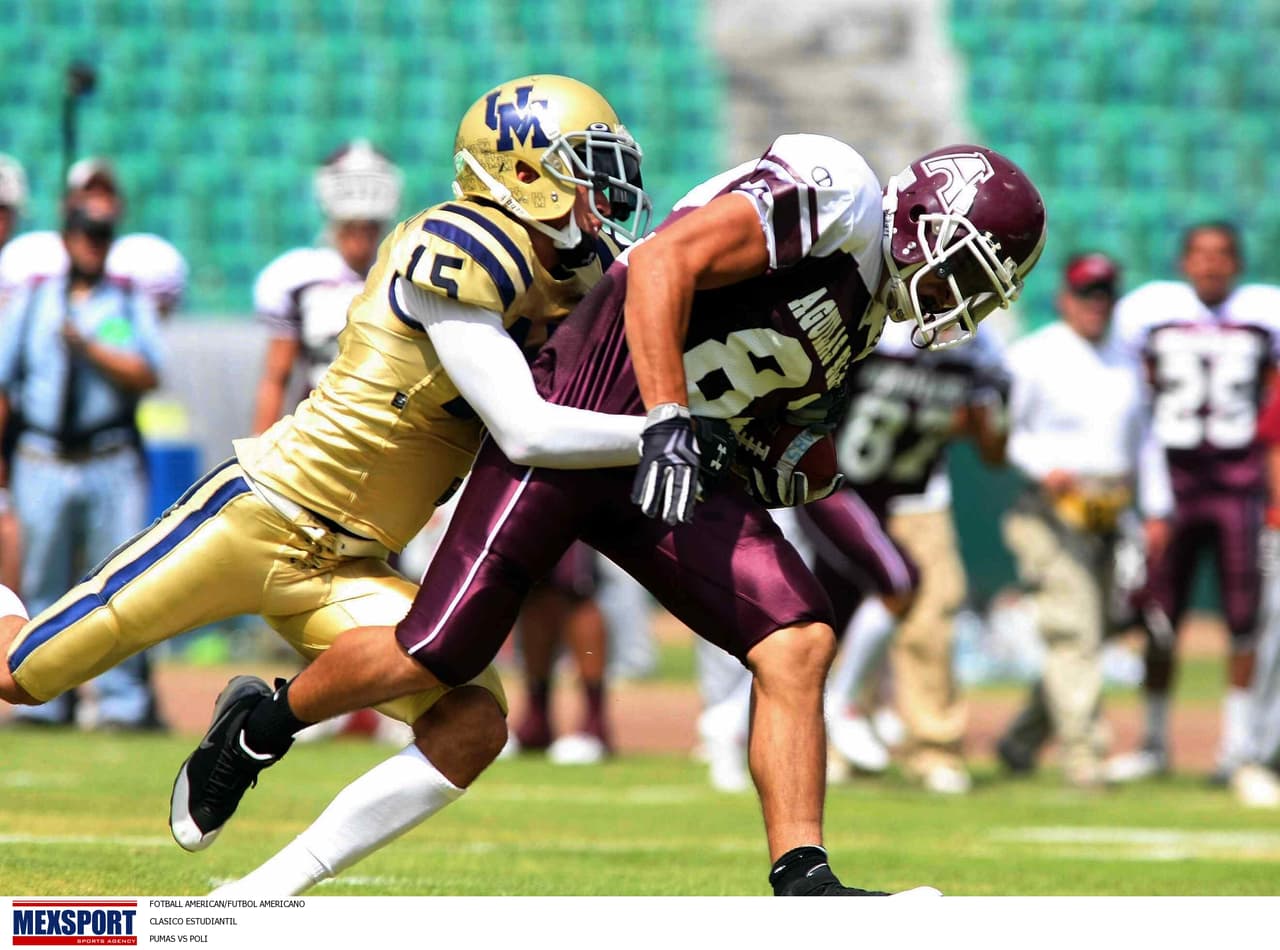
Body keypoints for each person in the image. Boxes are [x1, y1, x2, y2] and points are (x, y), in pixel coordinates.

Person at [178, 140, 1046, 897]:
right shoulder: (840, 195)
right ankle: (263, 722)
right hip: (579, 414)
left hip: (660, 456)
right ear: (929, 220)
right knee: (438, 651)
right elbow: (664, 263)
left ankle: (803, 878)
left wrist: (792, 468)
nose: (964, 298)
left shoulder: (862, 318)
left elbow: (777, 430)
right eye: (967, 268)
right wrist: (667, 417)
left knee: (798, 635)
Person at [0, 70, 652, 822]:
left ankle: (261, 815)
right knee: (23, 674)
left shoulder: (579, 280)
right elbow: (525, 427)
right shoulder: (462, 240)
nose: (602, 198)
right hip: (256, 519)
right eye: (585, 171)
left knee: (471, 717)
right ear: (525, 174)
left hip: (348, 563)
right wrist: (664, 436)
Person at [1106, 224, 1280, 804]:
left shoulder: (1263, 312)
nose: (1210, 265)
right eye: (1200, 254)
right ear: (1183, 260)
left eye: (1222, 255)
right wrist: (1149, 495)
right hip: (1173, 485)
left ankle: (1240, 751)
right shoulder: (1150, 312)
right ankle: (1154, 742)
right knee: (1160, 617)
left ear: (1237, 262)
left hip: (1240, 484)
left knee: (1244, 619)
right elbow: (1135, 398)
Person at [806, 315, 1009, 794]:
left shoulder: (979, 352)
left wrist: (983, 417)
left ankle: (932, 746)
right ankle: (832, 734)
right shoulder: (873, 323)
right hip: (844, 490)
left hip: (917, 496)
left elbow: (992, 447)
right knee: (838, 612)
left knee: (930, 614)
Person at [993, 253, 1171, 787]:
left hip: (1111, 511)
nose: (1097, 303)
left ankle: (1021, 740)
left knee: (1096, 630)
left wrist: (1157, 509)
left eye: (1105, 293)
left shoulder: (1127, 359)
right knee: (1074, 630)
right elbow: (1009, 435)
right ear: (1065, 297)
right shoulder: (1033, 355)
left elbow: (1145, 441)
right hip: (1051, 511)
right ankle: (1084, 755)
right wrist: (1046, 469)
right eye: (1087, 292)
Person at [0, 197, 165, 729]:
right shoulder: (34, 301)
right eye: (85, 233)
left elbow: (147, 372)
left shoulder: (125, 303)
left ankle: (121, 702)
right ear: (68, 236)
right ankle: (46, 698)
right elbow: (5, 382)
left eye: (102, 234)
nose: (93, 243)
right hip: (42, 456)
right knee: (43, 584)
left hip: (107, 456)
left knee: (119, 583)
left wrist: (89, 348)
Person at [252, 140, 403, 434]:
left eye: (369, 227)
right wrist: (257, 449)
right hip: (319, 433)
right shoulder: (299, 278)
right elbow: (276, 376)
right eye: (351, 227)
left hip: (391, 433)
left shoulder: (406, 272)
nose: (360, 240)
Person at [0, 159, 187, 319]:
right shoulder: (29, 253)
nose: (97, 202)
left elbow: (156, 317)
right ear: (66, 204)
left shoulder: (146, 255)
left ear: (119, 204)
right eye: (88, 193)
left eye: (105, 194)